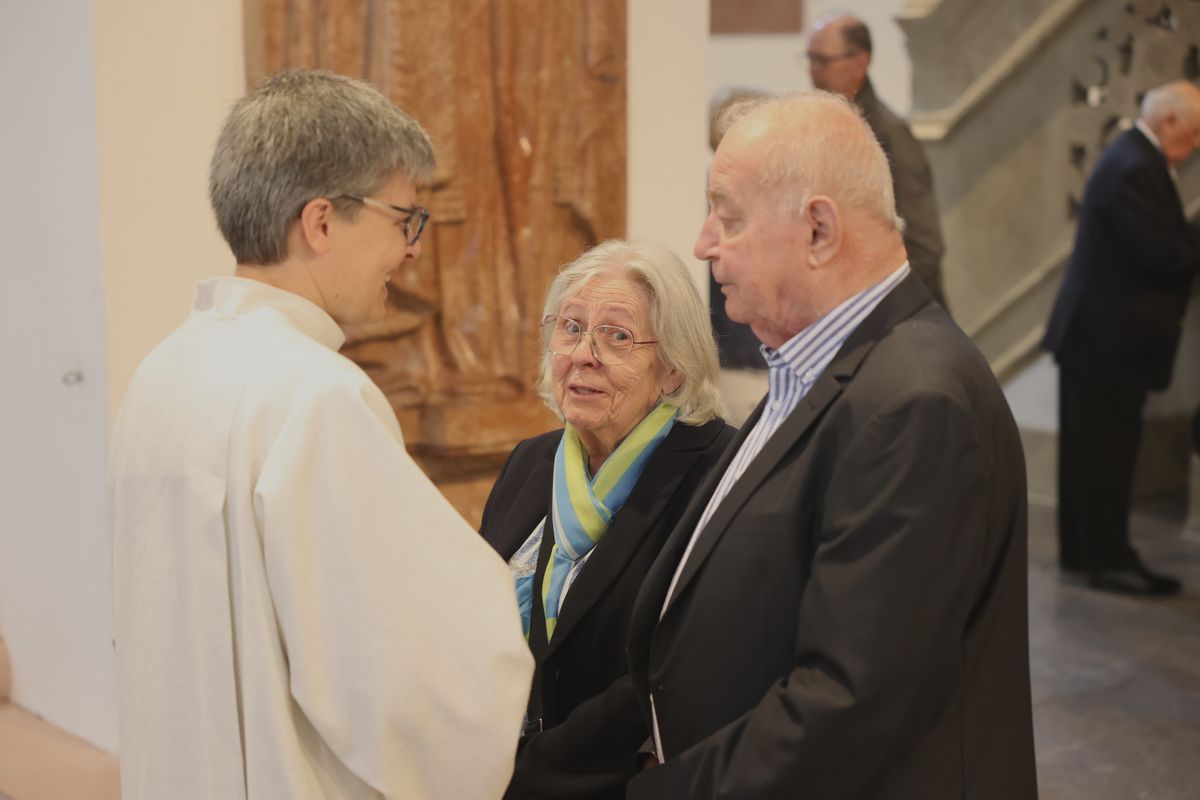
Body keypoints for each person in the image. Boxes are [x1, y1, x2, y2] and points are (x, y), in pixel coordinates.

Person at [109, 70, 533, 800]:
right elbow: (398, 676)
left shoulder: (162, 371)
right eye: (404, 219)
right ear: (321, 223)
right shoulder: (316, 395)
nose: (410, 250)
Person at [622, 92, 1037, 798]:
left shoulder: (914, 403)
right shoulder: (816, 364)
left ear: (818, 229)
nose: (703, 243)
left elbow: (854, 699)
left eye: (728, 215)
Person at [480, 240, 735, 799]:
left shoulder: (718, 475)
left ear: (673, 368)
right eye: (570, 328)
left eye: (617, 336)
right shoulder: (530, 462)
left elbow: (673, 669)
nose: (582, 354)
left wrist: (536, 774)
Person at [1043, 80, 1200, 596]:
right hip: (1106, 341)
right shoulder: (1135, 166)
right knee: (1106, 456)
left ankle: (1085, 553)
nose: (1197, 143)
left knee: (1091, 455)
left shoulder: (1133, 155)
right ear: (1169, 121)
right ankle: (1108, 560)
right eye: (1194, 131)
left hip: (1099, 337)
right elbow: (1162, 254)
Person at [807, 11, 949, 309]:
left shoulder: (891, 137)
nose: (813, 71)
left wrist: (873, 311)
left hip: (897, 321)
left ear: (860, 61)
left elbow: (926, 248)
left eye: (823, 60)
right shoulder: (825, 126)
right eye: (810, 59)